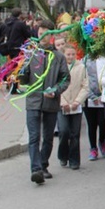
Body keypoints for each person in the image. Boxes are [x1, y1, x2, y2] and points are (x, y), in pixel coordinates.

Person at [19, 20, 70, 184]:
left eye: (46, 33)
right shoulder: (31, 53)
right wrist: (20, 74)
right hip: (33, 101)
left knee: (48, 137)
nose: (42, 36)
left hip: (51, 103)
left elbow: (65, 79)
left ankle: (43, 165)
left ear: (52, 36)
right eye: (40, 32)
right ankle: (36, 169)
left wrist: (55, 91)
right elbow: (24, 77)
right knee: (34, 137)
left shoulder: (58, 56)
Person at [57, 44, 89, 170]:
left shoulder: (81, 67)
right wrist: (63, 102)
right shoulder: (59, 67)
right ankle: (63, 155)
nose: (70, 57)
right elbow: (55, 85)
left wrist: (77, 101)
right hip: (63, 104)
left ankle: (74, 159)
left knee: (75, 133)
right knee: (64, 131)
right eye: (68, 54)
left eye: (73, 54)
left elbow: (85, 86)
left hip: (76, 105)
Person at [83, 55, 105, 163]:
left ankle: (102, 141)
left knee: (103, 122)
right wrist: (91, 96)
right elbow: (83, 79)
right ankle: (93, 148)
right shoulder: (85, 60)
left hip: (103, 96)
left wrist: (103, 94)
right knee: (92, 124)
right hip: (89, 97)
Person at [0, 8, 32, 93]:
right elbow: (28, 34)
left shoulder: (6, 23)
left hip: (8, 48)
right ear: (20, 15)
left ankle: (8, 84)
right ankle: (13, 88)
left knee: (10, 67)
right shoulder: (20, 24)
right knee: (16, 68)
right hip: (18, 49)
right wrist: (28, 26)